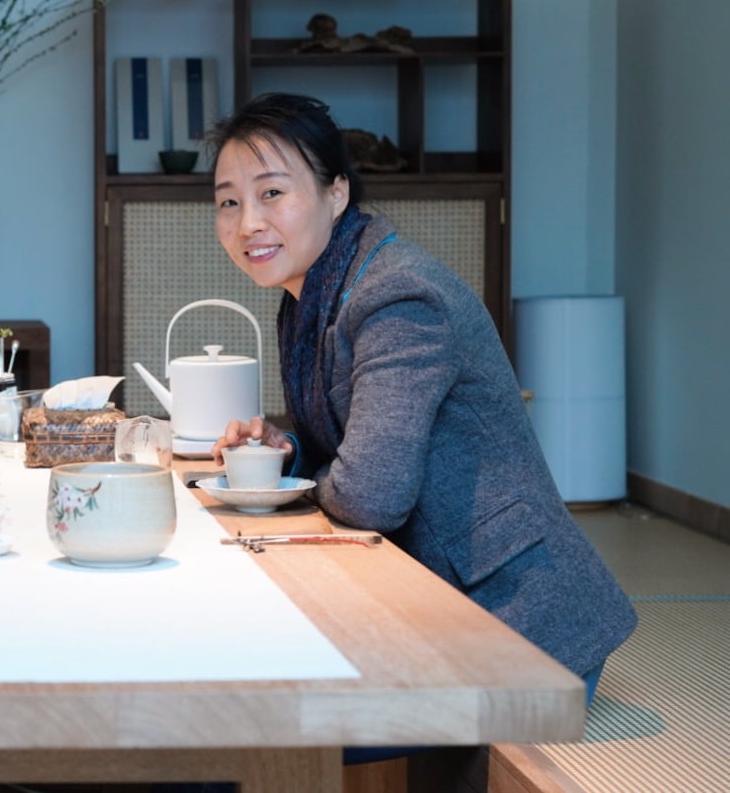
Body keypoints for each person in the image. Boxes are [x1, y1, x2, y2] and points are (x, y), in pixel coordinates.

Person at [206, 93, 635, 758]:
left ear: (336, 192)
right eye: (228, 201)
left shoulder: (396, 296)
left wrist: (319, 476)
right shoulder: (312, 293)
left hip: (518, 626)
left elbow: (370, 495)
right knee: (227, 693)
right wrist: (284, 449)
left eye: (271, 193)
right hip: (432, 605)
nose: (247, 223)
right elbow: (345, 445)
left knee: (235, 737)